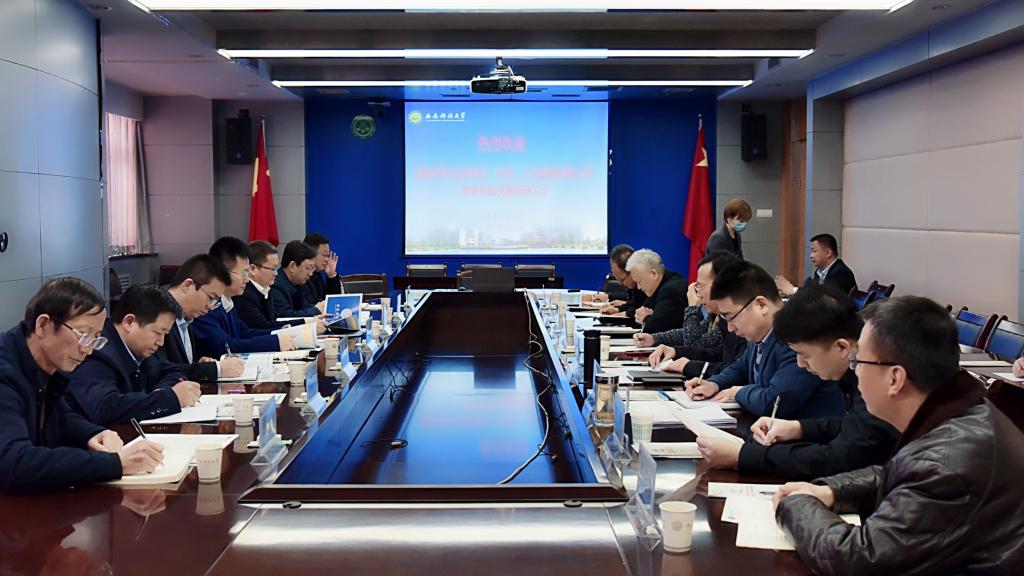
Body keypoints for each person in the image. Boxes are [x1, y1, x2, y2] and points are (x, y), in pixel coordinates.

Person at [775, 296, 1024, 574]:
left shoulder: (947, 462)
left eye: (858, 362)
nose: (855, 373)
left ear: (895, 378)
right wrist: (831, 490)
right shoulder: (961, 409)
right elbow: (901, 472)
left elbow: (857, 559)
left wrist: (794, 504)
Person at [695, 285, 899, 476]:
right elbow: (853, 425)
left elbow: (841, 457)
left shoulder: (874, 378)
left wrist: (744, 455)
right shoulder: (854, 373)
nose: (800, 364)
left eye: (804, 355)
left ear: (842, 347)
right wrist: (798, 428)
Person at [0, 278, 163, 494]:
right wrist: (114, 464)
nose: (88, 350)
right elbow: (12, 462)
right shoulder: (6, 371)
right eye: (84, 335)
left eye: (96, 339)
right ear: (42, 325)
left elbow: (61, 417)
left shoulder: (46, 363)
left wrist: (93, 434)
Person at [685, 260, 844, 419]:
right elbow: (742, 366)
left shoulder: (797, 336)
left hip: (810, 431)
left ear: (761, 305)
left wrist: (739, 392)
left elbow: (774, 402)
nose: (730, 328)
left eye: (731, 317)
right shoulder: (760, 333)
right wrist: (715, 383)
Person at [66, 284, 202, 426]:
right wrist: (168, 399)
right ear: (129, 322)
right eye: (158, 333)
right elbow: (105, 408)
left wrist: (161, 391)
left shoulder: (141, 347)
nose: (161, 342)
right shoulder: (97, 353)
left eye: (165, 334)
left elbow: (173, 371)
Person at [642, 252, 747, 378]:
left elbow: (693, 343)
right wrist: (659, 342)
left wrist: (693, 308)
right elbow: (714, 353)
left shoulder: (738, 320)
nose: (698, 293)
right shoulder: (719, 316)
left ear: (723, 284)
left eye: (700, 286)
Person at [192, 236, 297, 358]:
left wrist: (278, 333)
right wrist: (275, 342)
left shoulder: (227, 301)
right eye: (243, 273)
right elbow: (224, 346)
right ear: (222, 272)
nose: (247, 279)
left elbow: (243, 332)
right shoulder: (207, 305)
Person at [157, 255, 245, 382]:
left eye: (215, 301)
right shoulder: (158, 313)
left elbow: (179, 365)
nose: (210, 306)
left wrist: (198, 365)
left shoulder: (187, 317)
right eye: (211, 298)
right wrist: (215, 369)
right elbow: (159, 371)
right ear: (187, 285)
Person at [623, 249, 688, 333]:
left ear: (654, 274)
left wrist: (646, 318)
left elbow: (655, 328)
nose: (638, 287)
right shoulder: (658, 287)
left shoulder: (671, 290)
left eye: (639, 281)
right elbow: (640, 314)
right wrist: (646, 317)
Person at [775, 233, 857, 296]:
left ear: (828, 253)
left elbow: (822, 297)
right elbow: (812, 291)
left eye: (814, 251)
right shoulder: (819, 272)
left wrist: (793, 290)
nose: (811, 255)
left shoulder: (841, 272)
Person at [235, 240, 288, 330]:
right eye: (273, 269)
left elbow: (275, 319)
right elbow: (263, 326)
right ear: (253, 269)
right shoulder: (244, 295)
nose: (276, 274)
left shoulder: (265, 290)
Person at [270, 240, 324, 319]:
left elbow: (304, 307)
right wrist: (316, 310)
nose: (310, 274)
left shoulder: (297, 283)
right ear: (292, 266)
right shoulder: (276, 286)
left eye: (312, 269)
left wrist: (320, 307)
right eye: (308, 268)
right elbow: (285, 316)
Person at [599, 244, 646, 318]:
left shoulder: (646, 285)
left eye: (622, 279)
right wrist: (618, 309)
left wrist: (625, 313)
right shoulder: (633, 285)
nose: (620, 283)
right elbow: (633, 304)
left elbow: (643, 309)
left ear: (632, 271)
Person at [302, 232, 343, 308]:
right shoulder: (301, 277)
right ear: (311, 254)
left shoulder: (317, 274)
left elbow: (333, 303)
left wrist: (331, 276)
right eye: (324, 256)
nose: (327, 260)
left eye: (328, 256)